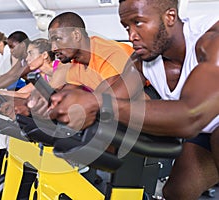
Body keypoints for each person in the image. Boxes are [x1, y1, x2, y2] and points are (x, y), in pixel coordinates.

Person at [47, 0, 219, 199]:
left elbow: (190, 117)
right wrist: (64, 107)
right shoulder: (141, 61)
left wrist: (97, 104)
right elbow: (109, 95)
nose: (131, 36)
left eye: (138, 22)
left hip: (201, 121)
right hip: (207, 127)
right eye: (126, 26)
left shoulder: (210, 41)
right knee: (176, 192)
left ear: (170, 17)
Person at [27, 12, 134, 125]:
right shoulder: (76, 62)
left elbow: (106, 98)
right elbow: (67, 91)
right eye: (52, 42)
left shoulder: (109, 53)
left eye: (57, 39)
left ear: (76, 36)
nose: (53, 48)